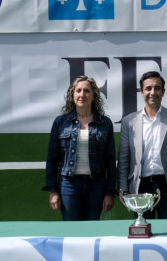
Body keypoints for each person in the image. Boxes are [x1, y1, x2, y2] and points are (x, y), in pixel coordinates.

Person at [118, 71, 167, 219]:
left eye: (157, 88)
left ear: (163, 92)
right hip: (140, 186)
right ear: (141, 92)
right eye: (148, 88)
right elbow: (124, 158)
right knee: (143, 232)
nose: (153, 92)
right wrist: (123, 189)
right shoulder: (129, 121)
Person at [44, 76, 116, 221]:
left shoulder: (105, 123)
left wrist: (109, 192)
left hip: (96, 185)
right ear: (72, 95)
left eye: (87, 91)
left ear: (94, 95)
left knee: (92, 230)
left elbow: (110, 160)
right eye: (78, 91)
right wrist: (53, 190)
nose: (82, 94)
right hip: (69, 184)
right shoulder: (60, 122)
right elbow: (52, 158)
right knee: (72, 230)